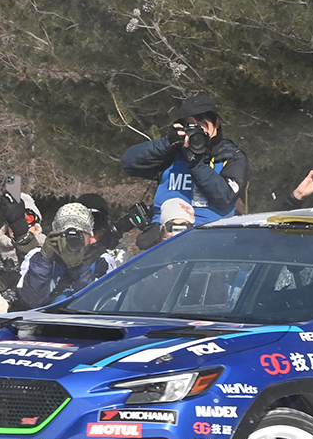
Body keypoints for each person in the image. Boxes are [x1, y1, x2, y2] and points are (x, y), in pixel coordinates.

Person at [121, 94, 249, 230]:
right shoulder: (173, 154)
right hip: (166, 234)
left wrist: (196, 163)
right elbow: (129, 163)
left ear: (216, 123)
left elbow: (226, 197)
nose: (197, 133)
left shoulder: (230, 157)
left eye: (201, 125)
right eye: (191, 127)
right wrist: (167, 142)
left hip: (209, 235)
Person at [13, 202, 120, 309]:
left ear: (90, 234)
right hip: (45, 322)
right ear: (56, 234)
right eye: (66, 234)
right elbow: (32, 299)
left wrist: (78, 267)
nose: (73, 239)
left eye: (81, 233)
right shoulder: (37, 256)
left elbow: (101, 303)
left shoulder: (102, 260)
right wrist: (44, 259)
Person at [0, 189, 44, 292]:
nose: (22, 225)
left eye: (28, 218)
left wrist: (23, 235)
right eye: (13, 220)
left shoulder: (47, 253)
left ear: (36, 223)